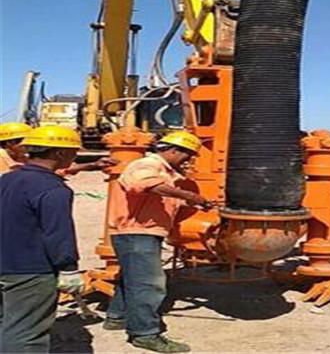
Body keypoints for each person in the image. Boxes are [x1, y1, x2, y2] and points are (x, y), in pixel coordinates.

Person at [104, 131, 210, 353]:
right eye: (187, 154)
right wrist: (189, 196)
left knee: (131, 279)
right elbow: (147, 186)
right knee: (149, 284)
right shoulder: (147, 165)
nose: (188, 160)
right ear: (173, 150)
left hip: (141, 233)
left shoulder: (167, 173)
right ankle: (145, 334)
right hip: (136, 233)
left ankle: (117, 317)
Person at [0, 125, 85, 353]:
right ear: (60, 153)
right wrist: (68, 267)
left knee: (5, 324)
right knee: (25, 332)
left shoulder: (7, 180)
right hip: (30, 271)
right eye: (74, 152)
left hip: (4, 262)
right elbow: (58, 233)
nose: (75, 156)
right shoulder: (53, 189)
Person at [0, 122, 115, 176]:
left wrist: (92, 165)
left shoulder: (22, 158)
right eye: (26, 141)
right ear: (10, 142)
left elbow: (56, 171)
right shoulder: (2, 160)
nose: (30, 144)